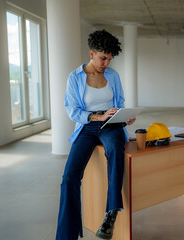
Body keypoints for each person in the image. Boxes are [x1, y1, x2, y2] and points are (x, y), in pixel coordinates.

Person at [56, 29, 135, 240]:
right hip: (87, 127)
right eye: (103, 58)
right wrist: (97, 117)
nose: (106, 63)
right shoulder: (75, 77)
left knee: (115, 151)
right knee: (69, 177)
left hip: (111, 125)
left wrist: (124, 116)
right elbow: (72, 111)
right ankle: (66, 234)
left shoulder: (113, 75)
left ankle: (111, 214)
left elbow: (119, 103)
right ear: (91, 53)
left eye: (109, 59)